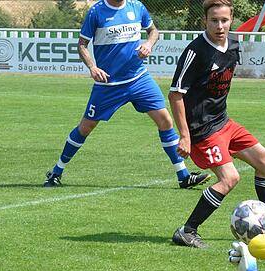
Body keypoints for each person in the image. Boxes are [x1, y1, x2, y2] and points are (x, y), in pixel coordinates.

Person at [42, 0, 210, 190]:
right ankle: (56, 172)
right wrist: (92, 67)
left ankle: (183, 176)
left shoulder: (136, 7)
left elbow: (153, 31)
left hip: (139, 78)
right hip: (109, 84)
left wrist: (148, 44)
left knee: (165, 121)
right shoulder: (96, 12)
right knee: (86, 127)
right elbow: (82, 45)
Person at [169, 0, 265, 249]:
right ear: (205, 21)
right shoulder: (196, 51)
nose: (220, 25)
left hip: (223, 122)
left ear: (231, 19)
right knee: (229, 178)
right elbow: (176, 94)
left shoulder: (234, 43)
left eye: (224, 20)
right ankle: (187, 230)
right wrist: (185, 136)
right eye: (214, 20)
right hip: (202, 130)